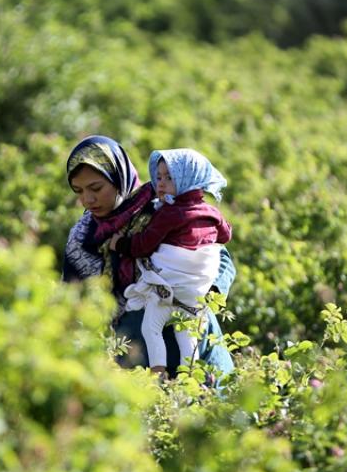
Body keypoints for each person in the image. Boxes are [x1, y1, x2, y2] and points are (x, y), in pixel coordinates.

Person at [62, 136, 235, 377]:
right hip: (134, 354)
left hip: (192, 331)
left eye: (96, 188)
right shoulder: (82, 239)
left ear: (118, 178)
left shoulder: (162, 207)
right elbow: (74, 301)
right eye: (78, 191)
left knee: (209, 402)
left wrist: (203, 293)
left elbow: (219, 254)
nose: (88, 200)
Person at [107, 149, 231, 377]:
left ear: (187, 179)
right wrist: (203, 241)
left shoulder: (169, 213)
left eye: (169, 177)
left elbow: (144, 245)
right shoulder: (212, 213)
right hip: (193, 295)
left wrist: (120, 244)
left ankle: (158, 369)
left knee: (151, 328)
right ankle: (190, 375)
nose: (160, 183)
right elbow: (225, 236)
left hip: (167, 289)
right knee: (188, 335)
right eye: (159, 177)